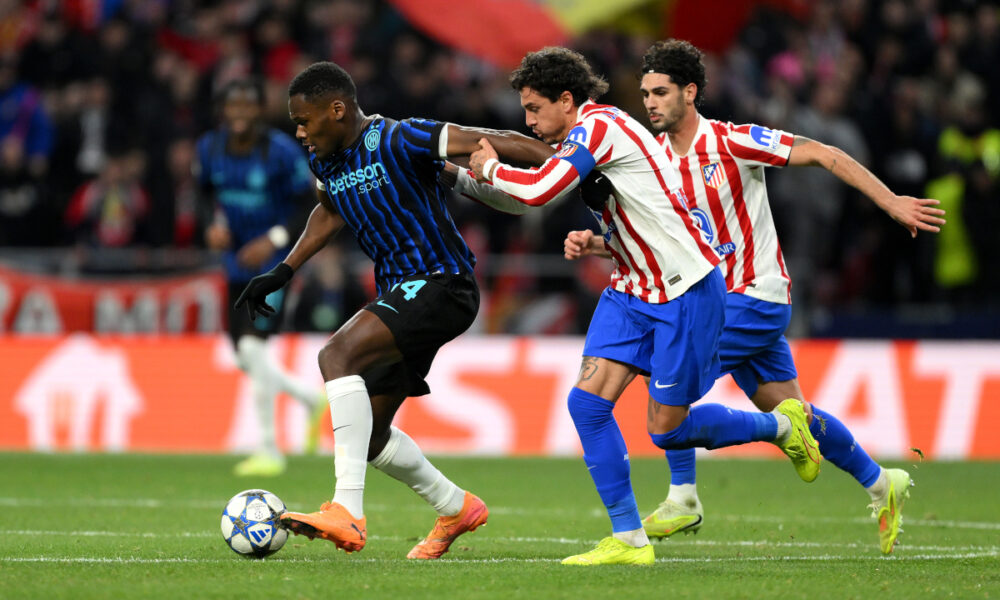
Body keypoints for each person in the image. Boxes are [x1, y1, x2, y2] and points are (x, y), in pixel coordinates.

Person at [562, 39, 945, 555]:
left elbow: (824, 154)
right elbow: (661, 246)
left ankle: (683, 498)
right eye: (645, 93)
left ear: (690, 92)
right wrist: (601, 246)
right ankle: (882, 483)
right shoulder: (649, 163)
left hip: (752, 295)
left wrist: (890, 202)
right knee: (794, 413)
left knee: (662, 377)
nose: (649, 103)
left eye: (661, 92)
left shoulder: (731, 141)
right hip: (712, 298)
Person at [468, 47, 823, 566]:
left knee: (666, 429)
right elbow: (637, 211)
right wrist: (598, 240)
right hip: (634, 288)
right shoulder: (584, 137)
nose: (528, 120)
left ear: (567, 101)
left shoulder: (601, 127)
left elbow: (542, 190)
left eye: (534, 108)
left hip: (684, 290)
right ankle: (630, 539)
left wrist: (489, 168)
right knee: (586, 404)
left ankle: (782, 427)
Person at [234, 61, 554, 559]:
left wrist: (564, 163)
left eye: (304, 120)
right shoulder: (327, 161)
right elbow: (329, 209)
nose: (299, 132)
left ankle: (347, 512)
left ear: (336, 110)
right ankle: (455, 507)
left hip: (442, 282)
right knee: (369, 434)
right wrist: (284, 270)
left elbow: (485, 139)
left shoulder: (400, 138)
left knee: (336, 356)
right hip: (403, 291)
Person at [195, 78, 324, 477]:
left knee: (253, 349)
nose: (239, 115)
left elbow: (309, 201)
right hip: (234, 263)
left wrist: (274, 240)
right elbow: (202, 196)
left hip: (274, 265)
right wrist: (210, 225)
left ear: (259, 111)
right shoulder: (209, 148)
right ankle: (309, 398)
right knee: (244, 356)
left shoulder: (281, 152)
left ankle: (269, 449)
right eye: (233, 107)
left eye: (247, 107)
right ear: (224, 110)